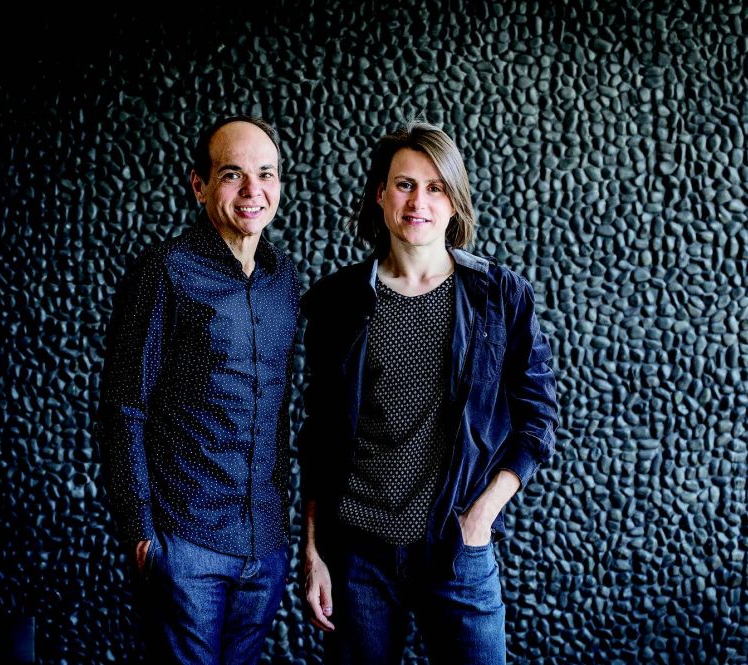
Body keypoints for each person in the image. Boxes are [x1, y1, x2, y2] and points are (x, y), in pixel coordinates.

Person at [298, 121, 559, 664]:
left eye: (435, 187)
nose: (419, 202)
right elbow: (319, 435)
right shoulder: (336, 302)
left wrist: (481, 517)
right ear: (380, 194)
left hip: (457, 550)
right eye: (405, 184)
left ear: (455, 200)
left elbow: (537, 420)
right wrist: (314, 551)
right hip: (359, 555)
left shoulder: (499, 296)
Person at [98, 115, 300, 664]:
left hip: (264, 548)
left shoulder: (283, 279)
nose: (253, 190)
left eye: (266, 174)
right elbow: (124, 407)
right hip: (186, 544)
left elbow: (279, 410)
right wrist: (141, 531)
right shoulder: (165, 271)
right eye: (233, 174)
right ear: (199, 185)